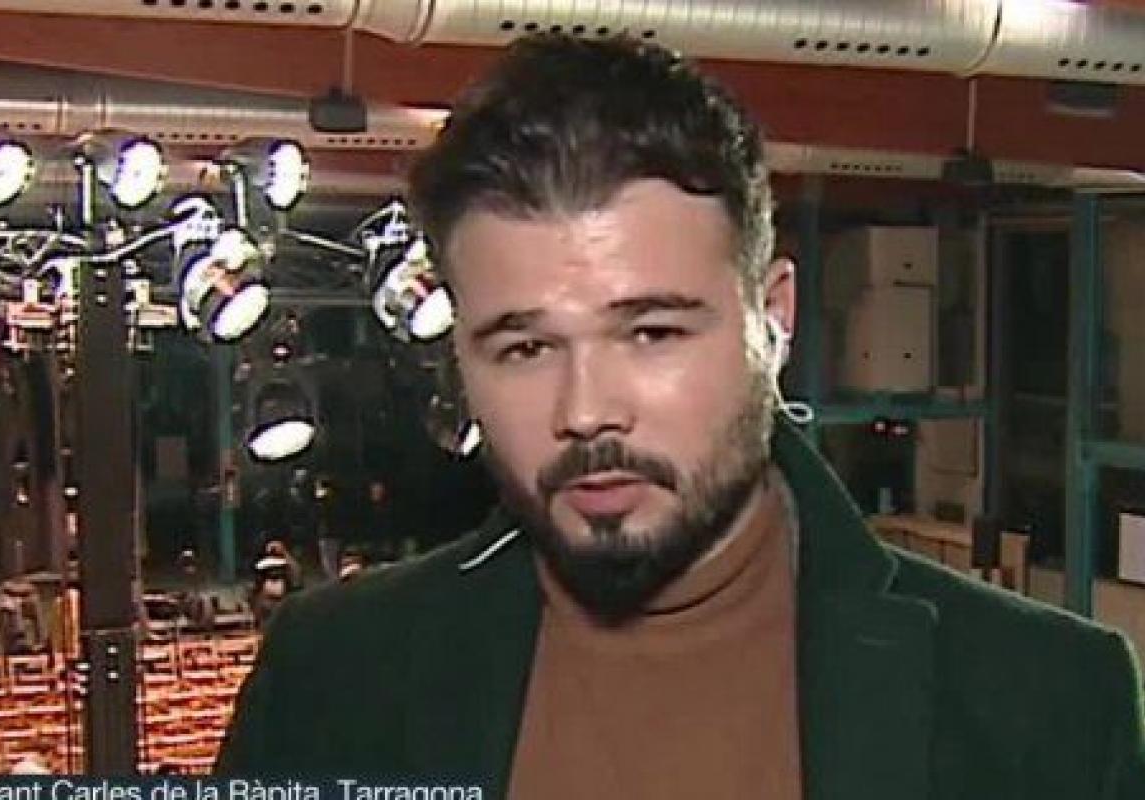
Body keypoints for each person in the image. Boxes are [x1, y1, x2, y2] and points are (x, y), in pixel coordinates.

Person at [217, 34, 1145, 797]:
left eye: (652, 332)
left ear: (772, 320)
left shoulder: (1046, 701)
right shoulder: (330, 677)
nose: (586, 413)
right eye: (526, 348)